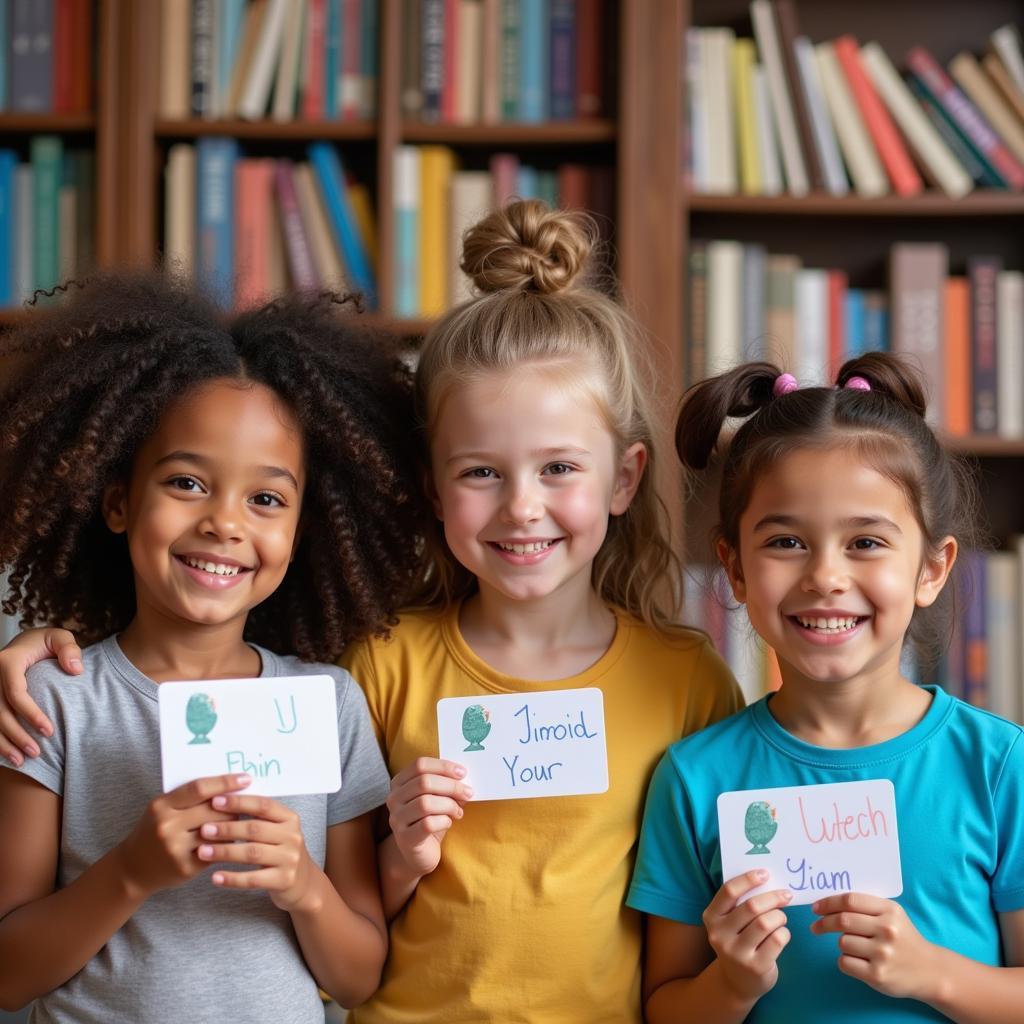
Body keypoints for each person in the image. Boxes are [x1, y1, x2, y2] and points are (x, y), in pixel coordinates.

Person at [0, 201, 742, 1022]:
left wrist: (313, 884)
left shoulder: (683, 682)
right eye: (482, 474)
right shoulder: (365, 669)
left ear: (625, 478)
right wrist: (39, 650)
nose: (522, 507)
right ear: (431, 487)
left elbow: (352, 952)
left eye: (559, 467)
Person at [0, 273, 432, 1021]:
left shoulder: (328, 705)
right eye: (187, 482)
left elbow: (360, 977)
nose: (225, 524)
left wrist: (302, 884)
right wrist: (131, 872)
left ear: (302, 533)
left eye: (265, 499)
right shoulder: (51, 701)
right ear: (118, 502)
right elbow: (6, 976)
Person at [628, 354, 1024, 1023]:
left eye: (866, 542)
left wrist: (935, 974)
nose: (825, 577)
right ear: (735, 568)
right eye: (785, 541)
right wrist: (732, 984)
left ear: (932, 569)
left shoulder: (998, 768)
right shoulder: (694, 778)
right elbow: (663, 1007)